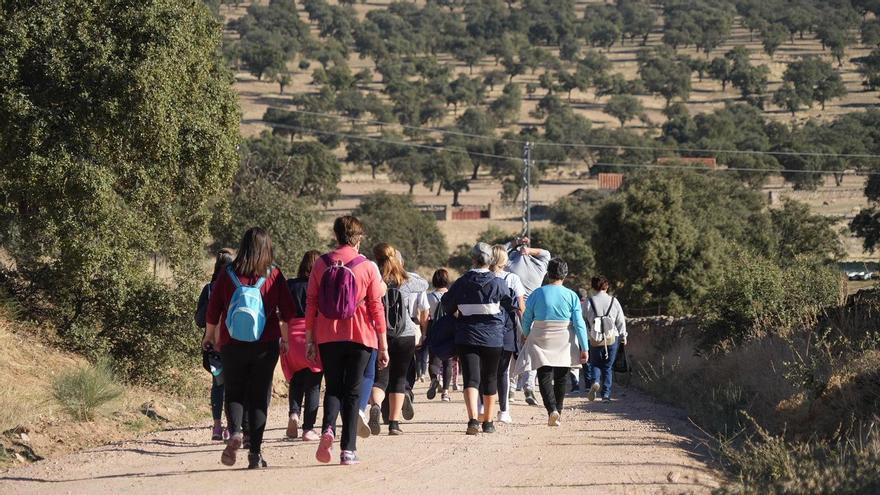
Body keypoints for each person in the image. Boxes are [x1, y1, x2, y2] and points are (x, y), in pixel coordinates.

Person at [204, 228, 296, 470]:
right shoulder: (274, 274)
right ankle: (255, 453)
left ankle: (234, 432)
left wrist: (209, 336)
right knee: (258, 398)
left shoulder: (228, 273)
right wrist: (286, 336)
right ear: (267, 248)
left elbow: (213, 310)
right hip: (265, 345)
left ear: (243, 246)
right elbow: (288, 312)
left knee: (234, 392)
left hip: (232, 343)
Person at [306, 216, 388, 465]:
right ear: (358, 237)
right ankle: (348, 450)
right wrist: (383, 343)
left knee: (333, 388)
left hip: (328, 335)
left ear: (336, 235)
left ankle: (328, 429)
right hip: (361, 336)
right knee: (352, 392)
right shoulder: (368, 266)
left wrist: (310, 339)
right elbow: (376, 307)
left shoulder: (321, 264)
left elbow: (311, 303)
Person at [442, 242, 514, 435]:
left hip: (466, 337)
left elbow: (447, 304)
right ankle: (489, 422)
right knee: (490, 379)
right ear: (490, 261)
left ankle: (473, 420)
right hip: (493, 339)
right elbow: (510, 303)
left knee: (471, 379)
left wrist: (460, 313)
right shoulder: (498, 282)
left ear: (473, 259)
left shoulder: (461, 282)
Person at [516, 258, 589, 426]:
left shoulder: (537, 293)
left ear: (548, 274)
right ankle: (559, 410)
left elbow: (527, 318)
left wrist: (526, 334)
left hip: (541, 336)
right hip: (564, 338)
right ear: (565, 275)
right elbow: (579, 323)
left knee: (544, 375)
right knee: (562, 377)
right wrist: (584, 347)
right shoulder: (571, 295)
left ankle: (551, 410)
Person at [367, 244, 428, 436]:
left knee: (381, 378)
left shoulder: (375, 280)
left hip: (380, 334)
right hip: (405, 334)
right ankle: (394, 423)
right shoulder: (406, 280)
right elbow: (425, 284)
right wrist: (404, 271)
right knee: (400, 379)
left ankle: (376, 406)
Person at [282, 250, 323, 442]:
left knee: (296, 380)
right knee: (313, 384)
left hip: (290, 334)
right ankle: (308, 429)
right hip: (312, 335)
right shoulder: (320, 287)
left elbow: (280, 315)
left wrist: (284, 340)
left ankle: (294, 414)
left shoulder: (289, 285)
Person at [505, 236, 551, 406]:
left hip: (512, 313)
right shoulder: (540, 265)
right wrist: (529, 250)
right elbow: (546, 253)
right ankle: (529, 387)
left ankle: (510, 388)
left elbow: (497, 253)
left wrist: (513, 243)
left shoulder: (508, 263)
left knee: (512, 353)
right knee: (533, 352)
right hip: (534, 314)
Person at [195, 248, 235, 441]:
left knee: (217, 386)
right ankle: (230, 426)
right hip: (234, 344)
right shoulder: (236, 286)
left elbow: (199, 320)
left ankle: (217, 427)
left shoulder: (209, 289)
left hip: (212, 346)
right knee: (233, 386)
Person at [490, 245, 525, 424]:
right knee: (503, 371)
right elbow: (520, 307)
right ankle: (504, 411)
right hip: (507, 329)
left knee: (485, 370)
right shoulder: (512, 278)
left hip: (485, 328)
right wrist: (525, 330)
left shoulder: (483, 277)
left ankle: (482, 407)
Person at [582, 276, 627, 403]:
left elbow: (582, 320)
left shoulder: (589, 302)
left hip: (594, 338)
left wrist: (586, 335)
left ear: (593, 286)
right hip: (611, 338)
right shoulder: (614, 301)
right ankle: (606, 395)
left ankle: (595, 382)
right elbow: (620, 321)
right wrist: (623, 336)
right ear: (606, 286)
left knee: (595, 364)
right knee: (607, 367)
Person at [426, 268, 454, 402]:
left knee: (433, 359)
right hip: (449, 328)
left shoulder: (429, 297)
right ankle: (446, 393)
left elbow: (425, 316)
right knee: (448, 361)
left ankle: (434, 379)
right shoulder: (452, 295)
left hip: (434, 327)